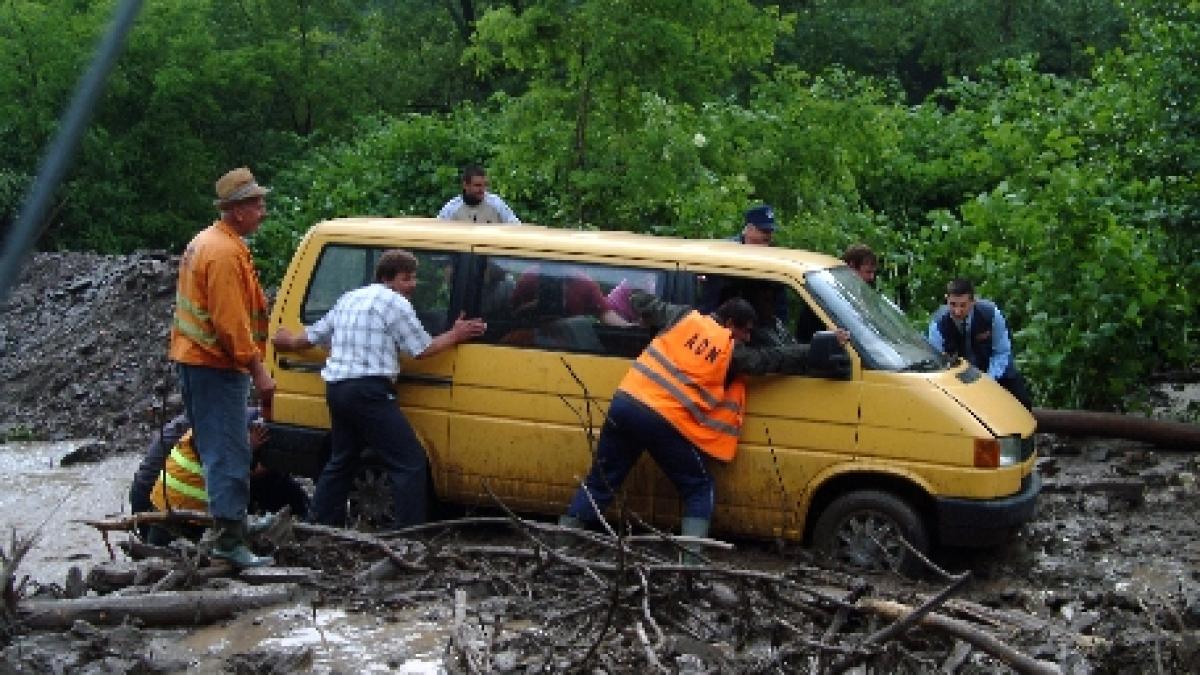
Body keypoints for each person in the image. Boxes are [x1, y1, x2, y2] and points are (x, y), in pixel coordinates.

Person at [559, 289, 849, 561]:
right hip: (660, 418)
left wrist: (626, 304)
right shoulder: (728, 349)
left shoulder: (682, 317)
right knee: (698, 487)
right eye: (745, 330)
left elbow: (643, 301)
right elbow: (768, 360)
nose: (747, 338)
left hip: (625, 403)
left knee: (601, 480)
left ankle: (562, 548)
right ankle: (690, 562)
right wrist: (812, 349)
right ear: (731, 322)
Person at [272, 250, 487, 529]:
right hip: (368, 390)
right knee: (409, 461)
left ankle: (318, 523)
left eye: (414, 278)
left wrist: (287, 341)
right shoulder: (394, 302)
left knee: (342, 459)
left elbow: (314, 335)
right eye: (406, 278)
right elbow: (421, 349)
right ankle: (409, 534)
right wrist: (456, 335)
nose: (412, 284)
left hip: (338, 389)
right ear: (387, 279)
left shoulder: (350, 298)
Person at [169, 167, 276, 568]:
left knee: (223, 447)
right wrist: (259, 372)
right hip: (214, 366)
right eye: (257, 204)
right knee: (229, 451)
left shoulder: (214, 243)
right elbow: (231, 324)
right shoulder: (224, 252)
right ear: (236, 211)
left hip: (203, 363)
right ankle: (229, 541)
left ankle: (234, 525)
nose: (263, 211)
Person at [131, 409, 311, 545]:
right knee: (164, 557)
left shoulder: (202, 422)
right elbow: (224, 472)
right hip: (177, 511)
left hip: (168, 504)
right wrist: (250, 452)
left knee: (160, 554)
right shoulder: (212, 431)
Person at [928, 278, 1033, 410]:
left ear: (973, 301)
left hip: (995, 373)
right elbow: (938, 363)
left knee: (1022, 403)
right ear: (946, 300)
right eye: (953, 304)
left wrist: (988, 381)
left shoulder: (991, 314)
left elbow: (1002, 351)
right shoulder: (937, 324)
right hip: (958, 379)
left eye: (963, 305)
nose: (957, 311)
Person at [437, 165, 520, 224]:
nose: (482, 190)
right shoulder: (451, 209)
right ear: (465, 185)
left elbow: (515, 226)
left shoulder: (496, 204)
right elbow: (438, 230)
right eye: (477, 185)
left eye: (485, 185)